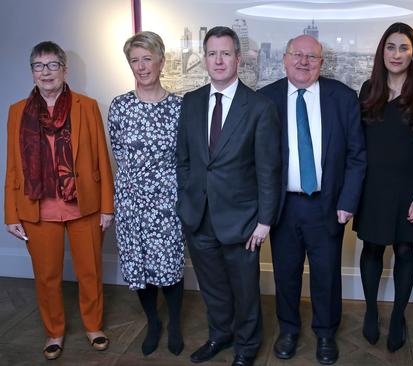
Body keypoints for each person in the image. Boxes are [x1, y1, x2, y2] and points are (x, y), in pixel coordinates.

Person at [176, 26, 281, 366]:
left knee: (246, 290)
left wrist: (264, 221)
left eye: (225, 53)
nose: (218, 60)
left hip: (243, 220)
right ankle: (220, 335)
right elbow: (184, 160)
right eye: (211, 53)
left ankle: (247, 348)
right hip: (198, 216)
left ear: (238, 58)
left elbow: (268, 170)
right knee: (213, 288)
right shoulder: (190, 103)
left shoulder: (259, 107)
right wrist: (185, 203)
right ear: (204, 59)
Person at [258, 35, 366, 365]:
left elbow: (356, 156)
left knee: (326, 273)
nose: (304, 62)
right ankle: (288, 329)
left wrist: (347, 201)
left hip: (328, 204)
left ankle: (325, 333)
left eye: (312, 57)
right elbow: (256, 159)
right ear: (285, 59)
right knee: (285, 273)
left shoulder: (343, 97)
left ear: (322, 62)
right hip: (283, 206)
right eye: (297, 55)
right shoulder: (266, 99)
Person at [4, 41, 114, 360]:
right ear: (32, 72)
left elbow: (101, 160)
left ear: (65, 69)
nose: (46, 72)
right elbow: (13, 166)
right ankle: (54, 331)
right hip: (37, 208)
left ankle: (94, 326)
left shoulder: (87, 105)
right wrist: (11, 213)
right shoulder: (16, 112)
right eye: (39, 66)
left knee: (90, 270)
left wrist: (107, 207)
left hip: (84, 205)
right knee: (47, 275)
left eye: (52, 65)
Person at [353, 22, 413, 352]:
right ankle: (372, 312)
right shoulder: (368, 89)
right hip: (373, 189)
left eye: (404, 48)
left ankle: (398, 316)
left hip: (411, 192)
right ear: (382, 52)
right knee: (372, 250)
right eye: (391, 47)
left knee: (405, 251)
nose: (397, 54)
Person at [108, 31, 185, 357]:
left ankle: (176, 323)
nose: (141, 66)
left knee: (169, 266)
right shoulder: (120, 106)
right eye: (134, 60)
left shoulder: (179, 107)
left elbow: (186, 157)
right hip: (131, 203)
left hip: (168, 203)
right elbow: (117, 152)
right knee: (139, 267)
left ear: (161, 61)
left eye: (147, 58)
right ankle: (153, 322)